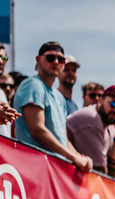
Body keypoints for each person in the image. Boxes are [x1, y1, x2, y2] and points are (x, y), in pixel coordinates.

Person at [14, 41, 91, 170]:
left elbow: (63, 139)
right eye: (50, 58)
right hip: (33, 166)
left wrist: (80, 157)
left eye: (60, 59)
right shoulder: (33, 85)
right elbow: (37, 130)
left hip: (54, 170)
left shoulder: (59, 96)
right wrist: (73, 157)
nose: (56, 62)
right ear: (38, 60)